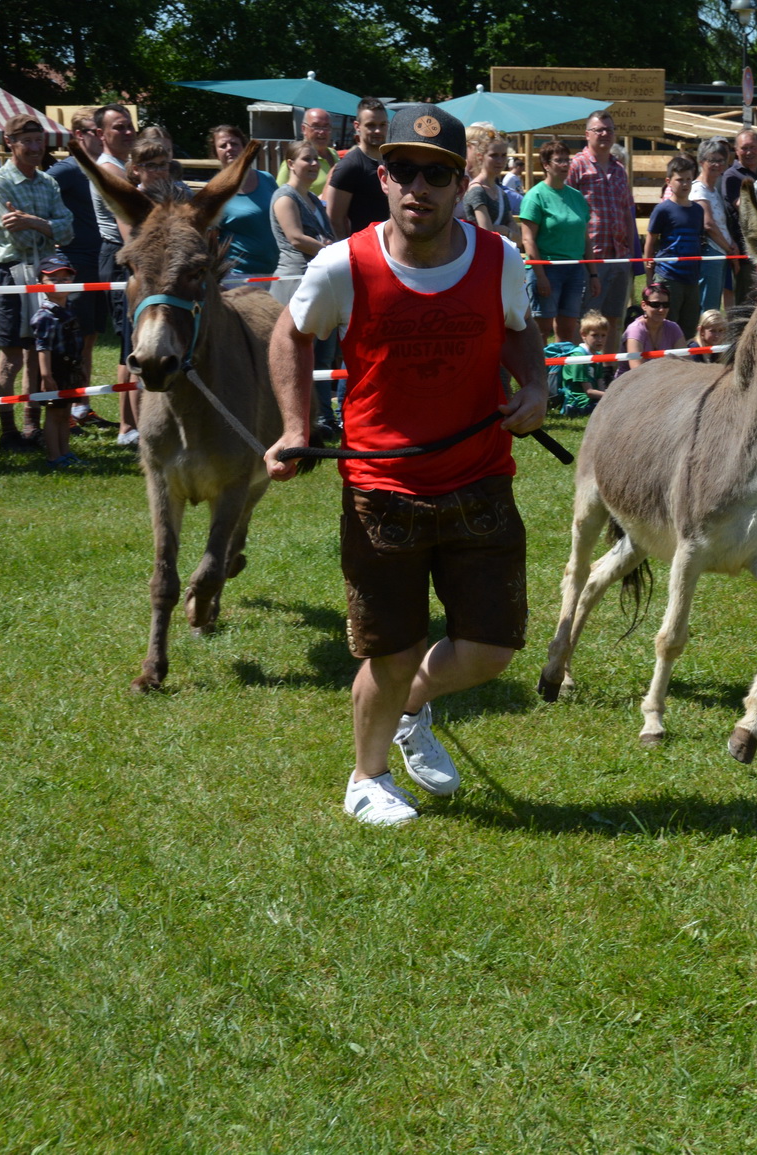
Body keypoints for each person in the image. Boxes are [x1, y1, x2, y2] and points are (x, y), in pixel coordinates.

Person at [262, 102, 546, 827]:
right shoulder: (342, 265)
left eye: (438, 174)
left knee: (490, 647)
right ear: (382, 179)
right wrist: (298, 425)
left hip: (480, 477)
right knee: (393, 649)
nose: (419, 187)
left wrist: (536, 386)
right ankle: (367, 775)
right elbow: (291, 336)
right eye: (405, 172)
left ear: (461, 185)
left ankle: (413, 709)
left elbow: (518, 329)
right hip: (381, 489)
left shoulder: (498, 259)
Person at [0, 113, 75, 452]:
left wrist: (33, 221)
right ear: (10, 143)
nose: (36, 148)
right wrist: (46, 226)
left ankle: (30, 426)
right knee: (11, 356)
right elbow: (12, 235)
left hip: (46, 273)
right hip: (10, 274)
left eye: (40, 141)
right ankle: (7, 431)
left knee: (41, 351)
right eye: (28, 142)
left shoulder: (47, 182)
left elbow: (68, 228)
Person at [44, 109, 116, 430]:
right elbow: (40, 188)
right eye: (92, 131)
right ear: (78, 135)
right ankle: (68, 407)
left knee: (90, 338)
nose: (99, 136)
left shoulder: (104, 168)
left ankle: (80, 406)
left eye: (101, 131)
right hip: (75, 263)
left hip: (99, 260)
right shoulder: (67, 170)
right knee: (71, 340)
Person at [271, 140, 339, 431]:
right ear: (290, 164)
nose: (313, 164)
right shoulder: (285, 198)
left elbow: (329, 237)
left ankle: (325, 417)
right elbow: (296, 238)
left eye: (316, 160)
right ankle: (300, 419)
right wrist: (331, 250)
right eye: (306, 159)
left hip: (320, 281)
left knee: (323, 355)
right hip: (294, 283)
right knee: (299, 356)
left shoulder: (314, 200)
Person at [88, 103, 141, 444]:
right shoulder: (111, 171)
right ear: (100, 134)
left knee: (132, 339)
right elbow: (128, 230)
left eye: (129, 126)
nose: (126, 132)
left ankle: (130, 423)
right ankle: (127, 426)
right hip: (123, 256)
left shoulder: (122, 168)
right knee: (130, 342)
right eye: (118, 127)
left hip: (127, 254)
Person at [568, 112, 636, 353]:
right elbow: (566, 206)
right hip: (591, 256)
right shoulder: (577, 165)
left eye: (609, 129)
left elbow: (628, 212)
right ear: (587, 134)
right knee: (586, 320)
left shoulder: (620, 170)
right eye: (599, 130)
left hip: (619, 255)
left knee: (613, 319)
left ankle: (608, 372)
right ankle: (583, 374)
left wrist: (633, 254)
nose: (605, 134)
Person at [518, 138, 594, 345]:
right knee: (541, 330)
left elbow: (585, 237)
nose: (564, 165)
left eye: (566, 160)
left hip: (575, 270)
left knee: (569, 329)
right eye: (558, 161)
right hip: (548, 269)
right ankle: (538, 373)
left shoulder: (576, 197)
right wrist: (540, 275)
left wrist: (593, 273)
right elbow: (528, 239)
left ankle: (560, 376)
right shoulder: (535, 196)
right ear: (546, 165)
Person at [30, 252, 85, 468]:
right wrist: (46, 376)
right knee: (54, 415)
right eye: (53, 279)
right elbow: (43, 347)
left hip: (70, 369)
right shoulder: (44, 316)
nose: (60, 284)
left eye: (65, 279)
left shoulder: (68, 311)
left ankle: (65, 453)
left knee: (64, 414)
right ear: (40, 284)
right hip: (54, 371)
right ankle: (54, 456)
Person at [646, 153, 707, 334]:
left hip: (692, 278)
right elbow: (650, 241)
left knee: (689, 327)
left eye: (689, 179)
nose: (685, 184)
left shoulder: (697, 210)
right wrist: (649, 278)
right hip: (668, 276)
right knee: (667, 326)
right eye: (680, 180)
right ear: (669, 181)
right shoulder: (663, 209)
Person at [211, 125, 279, 277]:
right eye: (223, 146)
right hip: (238, 276)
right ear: (216, 153)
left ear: (244, 147)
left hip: (277, 271)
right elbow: (209, 242)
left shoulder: (266, 179)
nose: (229, 148)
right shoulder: (214, 192)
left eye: (234, 144)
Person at [325, 97, 391, 240]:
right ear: (357, 126)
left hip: (390, 249)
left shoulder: (392, 161)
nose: (378, 130)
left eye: (383, 124)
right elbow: (334, 220)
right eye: (371, 125)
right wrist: (349, 254)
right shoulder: (350, 166)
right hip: (363, 250)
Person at [721, 127, 757, 304]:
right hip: (747, 251)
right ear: (736, 150)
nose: (749, 152)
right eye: (744, 148)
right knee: (747, 301)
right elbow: (745, 208)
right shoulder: (731, 175)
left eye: (752, 147)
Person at [690, 137, 738, 313]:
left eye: (721, 160)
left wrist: (730, 246)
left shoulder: (713, 190)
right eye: (712, 160)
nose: (717, 164)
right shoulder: (698, 189)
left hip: (720, 253)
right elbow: (708, 225)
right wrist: (730, 249)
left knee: (715, 305)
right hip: (710, 253)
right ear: (701, 162)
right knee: (708, 307)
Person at [548, 311, 611, 416]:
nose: (600, 340)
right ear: (583, 335)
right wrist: (609, 396)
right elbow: (588, 391)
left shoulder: (598, 356)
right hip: (579, 401)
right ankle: (573, 410)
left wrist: (607, 395)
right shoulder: (578, 357)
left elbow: (600, 385)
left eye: (603, 335)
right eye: (595, 335)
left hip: (592, 398)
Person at [462, 130, 514, 241]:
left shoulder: (501, 193)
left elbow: (519, 238)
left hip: (501, 253)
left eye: (503, 155)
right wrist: (506, 231)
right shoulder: (477, 190)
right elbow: (487, 234)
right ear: (480, 156)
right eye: (494, 155)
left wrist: (504, 230)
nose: (500, 161)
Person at [274, 107, 339, 195]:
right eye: (316, 126)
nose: (322, 131)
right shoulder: (295, 160)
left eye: (326, 126)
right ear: (304, 129)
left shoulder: (333, 154)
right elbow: (279, 194)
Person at [621, 281, 682, 370]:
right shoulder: (635, 330)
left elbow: (686, 362)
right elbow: (636, 369)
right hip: (633, 381)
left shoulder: (674, 328)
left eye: (665, 305)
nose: (661, 310)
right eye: (655, 305)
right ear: (644, 305)